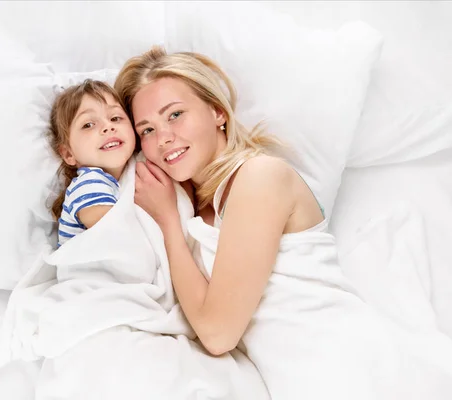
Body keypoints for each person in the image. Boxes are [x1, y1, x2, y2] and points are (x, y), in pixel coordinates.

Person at [114, 46, 452, 399]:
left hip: (352, 369)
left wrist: (169, 223)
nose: (162, 137)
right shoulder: (195, 208)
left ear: (217, 112)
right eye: (147, 130)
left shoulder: (258, 177)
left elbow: (217, 334)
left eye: (175, 114)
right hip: (301, 382)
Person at [47, 79, 136, 246]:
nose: (108, 127)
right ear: (68, 153)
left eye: (115, 118)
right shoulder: (89, 184)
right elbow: (119, 239)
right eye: (88, 124)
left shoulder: (125, 177)